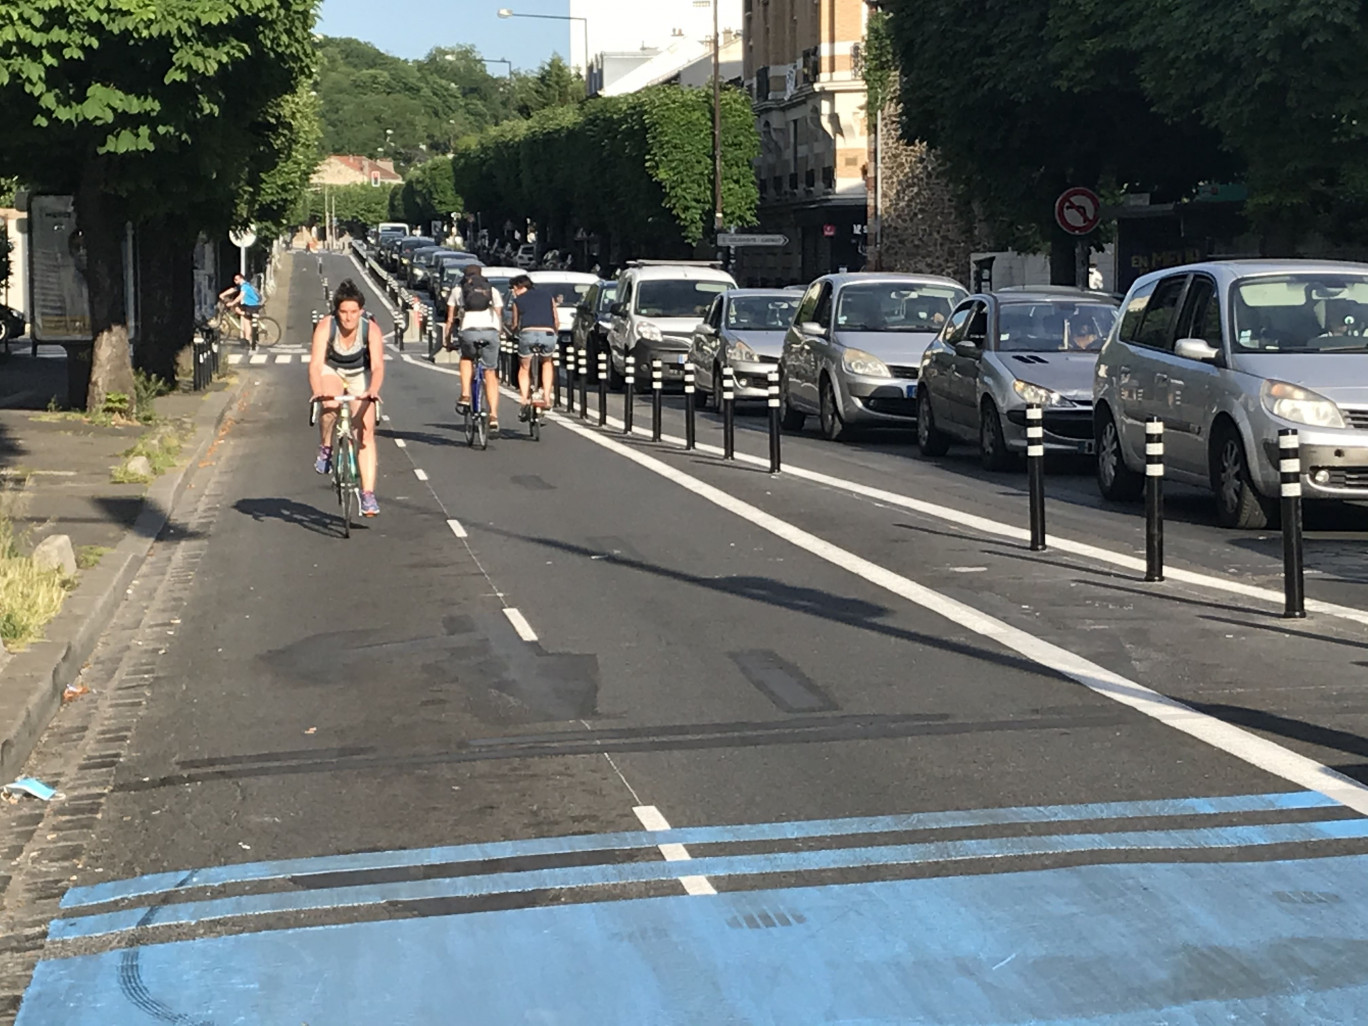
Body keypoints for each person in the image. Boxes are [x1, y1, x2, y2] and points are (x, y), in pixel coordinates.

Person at [309, 279, 385, 517]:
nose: (349, 318)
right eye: (344, 312)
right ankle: (326, 447)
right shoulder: (325, 326)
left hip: (359, 373)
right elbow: (315, 365)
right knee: (330, 404)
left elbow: (379, 366)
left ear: (360, 312)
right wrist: (317, 390)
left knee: (365, 432)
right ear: (337, 311)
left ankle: (368, 495)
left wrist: (373, 390)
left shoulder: (370, 329)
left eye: (353, 312)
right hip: (332, 369)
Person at [446, 264, 504, 431]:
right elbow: (499, 314)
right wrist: (498, 333)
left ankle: (465, 395)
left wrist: (448, 340)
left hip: (468, 331)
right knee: (490, 372)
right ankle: (493, 416)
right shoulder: (492, 290)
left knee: (466, 358)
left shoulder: (458, 291)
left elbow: (450, 318)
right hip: (490, 332)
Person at [509, 274, 558, 421]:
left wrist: (512, 332)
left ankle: (524, 400)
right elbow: (556, 320)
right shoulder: (548, 296)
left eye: (513, 288)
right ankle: (547, 398)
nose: (513, 291)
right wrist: (554, 332)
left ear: (520, 287)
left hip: (528, 333)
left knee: (524, 367)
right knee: (547, 362)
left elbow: (515, 324)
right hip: (548, 333)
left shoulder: (518, 300)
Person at [218, 272, 263, 347]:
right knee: (241, 314)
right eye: (234, 280)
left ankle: (247, 339)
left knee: (246, 320)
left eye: (236, 279)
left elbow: (240, 296)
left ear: (241, 279)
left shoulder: (245, 286)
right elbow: (233, 289)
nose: (235, 281)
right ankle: (245, 338)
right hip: (248, 304)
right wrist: (222, 294)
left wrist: (232, 303)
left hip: (252, 305)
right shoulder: (242, 285)